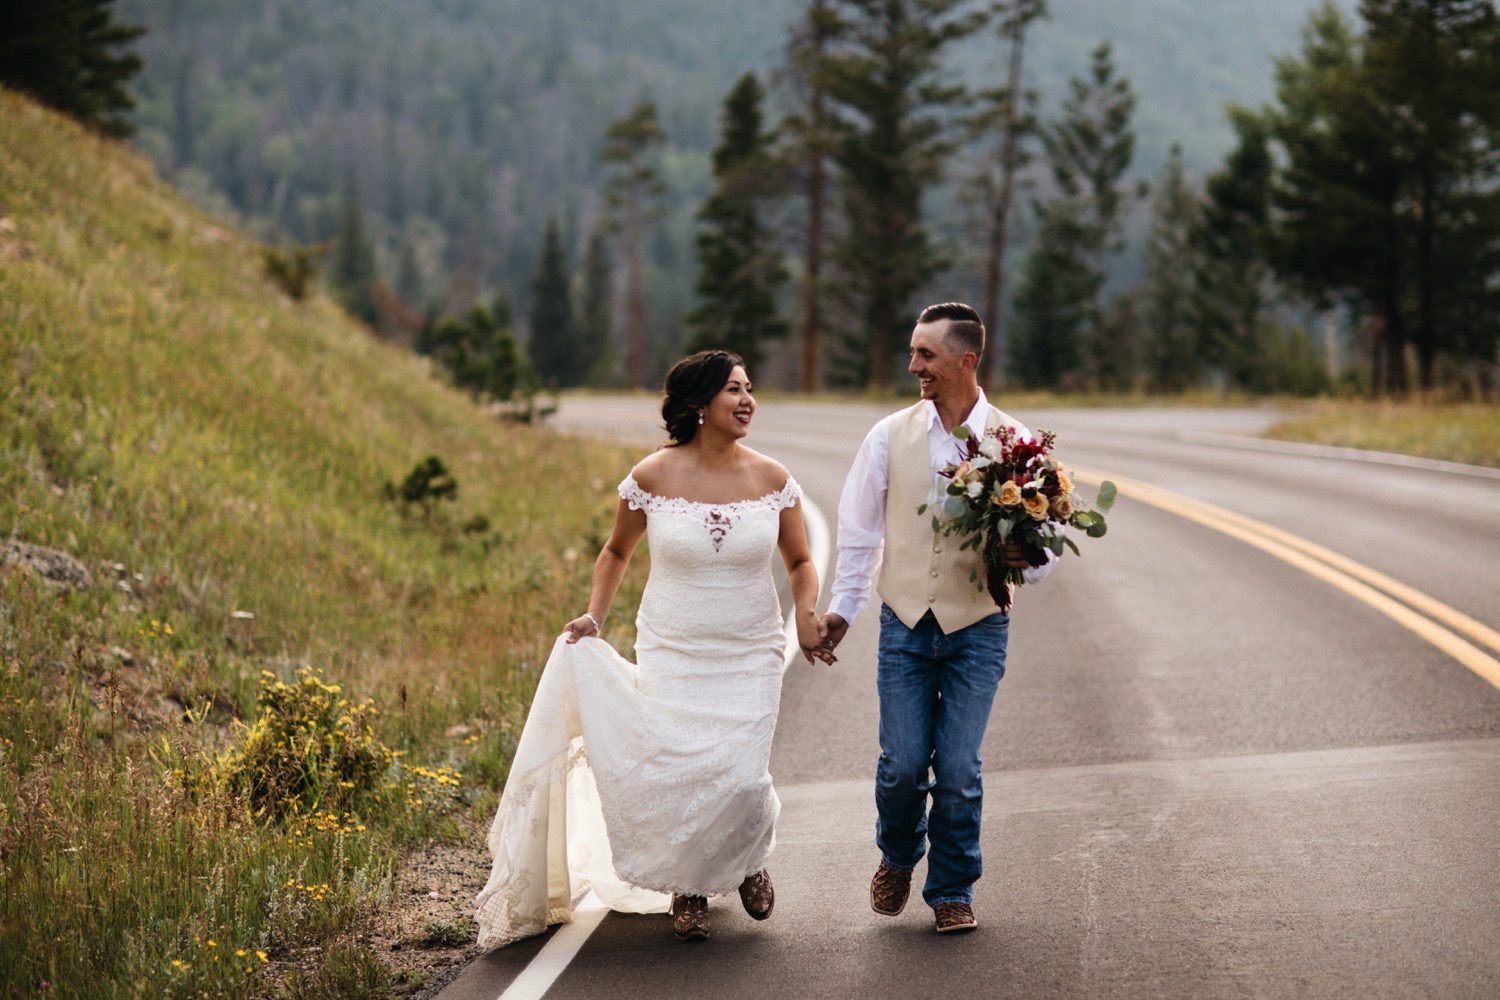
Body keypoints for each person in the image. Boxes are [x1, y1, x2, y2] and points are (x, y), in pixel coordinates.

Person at [476, 349, 832, 948]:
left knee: (742, 776)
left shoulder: (772, 479)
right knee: (687, 768)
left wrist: (804, 613)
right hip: (674, 643)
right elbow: (616, 552)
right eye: (733, 391)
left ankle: (747, 859)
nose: (747, 401)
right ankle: (688, 888)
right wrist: (594, 615)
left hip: (750, 647)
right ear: (698, 404)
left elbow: (799, 561)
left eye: (749, 389)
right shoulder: (651, 477)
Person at [820, 302, 1056, 934]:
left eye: (925, 354)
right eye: (913, 353)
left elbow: (1045, 554)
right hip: (904, 621)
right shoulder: (888, 435)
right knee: (900, 764)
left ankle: (952, 887)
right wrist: (844, 609)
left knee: (957, 770)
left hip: (979, 625)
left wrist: (1024, 553)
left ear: (965, 360)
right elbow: (860, 533)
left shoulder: (1016, 443)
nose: (912, 366)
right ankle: (898, 855)